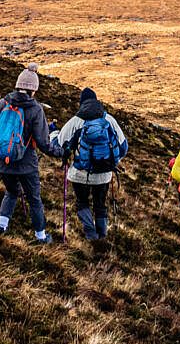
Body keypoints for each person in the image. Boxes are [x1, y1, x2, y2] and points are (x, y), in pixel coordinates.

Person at [0, 63, 61, 244]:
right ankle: (41, 236)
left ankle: (2, 225)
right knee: (34, 199)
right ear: (33, 90)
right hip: (27, 164)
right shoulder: (35, 110)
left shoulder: (2, 103)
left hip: (3, 161)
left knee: (11, 192)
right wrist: (60, 152)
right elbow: (44, 143)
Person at [55, 87, 128, 246]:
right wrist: (111, 162)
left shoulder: (76, 120)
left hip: (79, 173)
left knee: (82, 202)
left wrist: (53, 134)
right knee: (100, 204)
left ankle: (90, 234)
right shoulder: (109, 119)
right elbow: (123, 147)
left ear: (81, 103)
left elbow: (60, 144)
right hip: (103, 174)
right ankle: (102, 235)